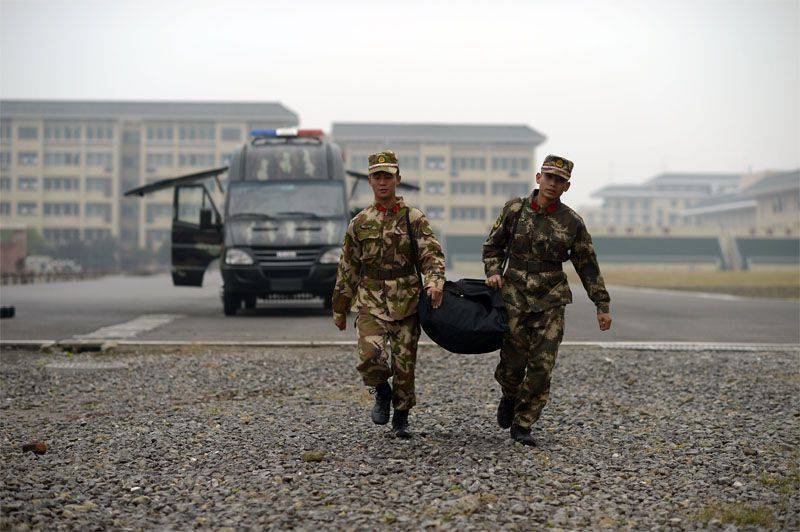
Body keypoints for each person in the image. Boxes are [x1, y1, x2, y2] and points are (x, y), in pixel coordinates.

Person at [483, 154, 612, 446]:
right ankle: (509, 395)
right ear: (538, 178)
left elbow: (587, 265)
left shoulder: (572, 222)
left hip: (550, 300)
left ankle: (523, 424)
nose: (553, 184)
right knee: (511, 367)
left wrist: (601, 305)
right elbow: (493, 247)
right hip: (514, 297)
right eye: (549, 177)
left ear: (567, 187)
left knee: (542, 367)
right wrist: (493, 273)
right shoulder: (514, 209)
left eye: (560, 181)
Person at [332, 150, 445, 438]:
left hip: (406, 300)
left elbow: (431, 256)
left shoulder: (414, 218)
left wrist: (434, 282)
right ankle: (382, 390)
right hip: (370, 301)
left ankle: (402, 418)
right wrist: (340, 307)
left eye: (388, 176)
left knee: (405, 365)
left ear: (398, 179)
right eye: (377, 176)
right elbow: (348, 267)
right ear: (370, 180)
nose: (383, 182)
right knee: (370, 357)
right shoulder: (360, 222)